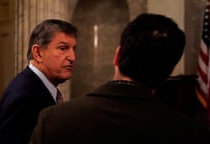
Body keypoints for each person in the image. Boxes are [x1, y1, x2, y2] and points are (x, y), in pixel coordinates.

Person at [29, 13, 210, 144]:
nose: (72, 57)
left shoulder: (54, 121)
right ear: (168, 73)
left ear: (117, 55)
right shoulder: (191, 134)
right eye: (62, 48)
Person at [0, 19, 78, 144]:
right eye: (63, 48)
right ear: (38, 53)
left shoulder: (40, 87)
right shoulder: (21, 96)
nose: (72, 57)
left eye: (73, 49)